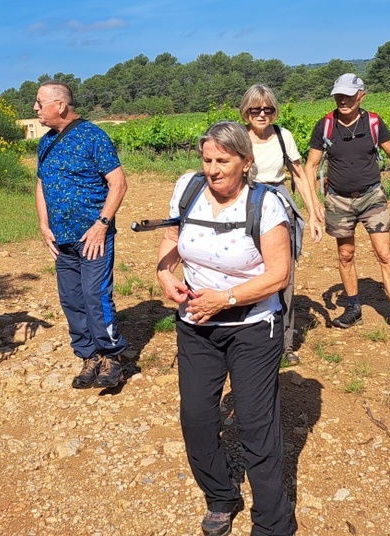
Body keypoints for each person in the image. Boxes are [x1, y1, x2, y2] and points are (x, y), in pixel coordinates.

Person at [156, 121, 296, 536]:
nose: (212, 169)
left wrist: (227, 298)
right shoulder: (188, 189)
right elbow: (172, 236)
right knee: (196, 417)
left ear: (246, 162)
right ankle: (220, 495)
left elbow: (280, 275)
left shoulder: (266, 203)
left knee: (256, 425)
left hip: (253, 326)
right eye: (207, 159)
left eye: (223, 160)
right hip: (197, 325)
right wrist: (164, 272)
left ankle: (273, 523)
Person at [302, 73, 390, 340]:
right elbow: (311, 165)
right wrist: (314, 203)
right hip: (339, 199)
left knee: (384, 254)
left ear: (361, 96)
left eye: (348, 96)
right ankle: (354, 308)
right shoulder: (325, 125)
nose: (342, 100)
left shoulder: (373, 122)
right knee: (346, 254)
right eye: (338, 96)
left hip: (371, 197)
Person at [34, 80, 129, 389]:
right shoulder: (45, 142)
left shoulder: (93, 136)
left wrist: (102, 224)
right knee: (72, 300)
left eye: (40, 103)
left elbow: (118, 183)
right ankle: (89, 357)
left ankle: (111, 357)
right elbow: (41, 184)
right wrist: (44, 224)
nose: (35, 108)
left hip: (92, 237)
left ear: (60, 105)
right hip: (61, 238)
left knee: (95, 295)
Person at [239, 84, 322, 366]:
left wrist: (312, 214)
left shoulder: (283, 136)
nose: (262, 114)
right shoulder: (238, 137)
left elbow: (298, 174)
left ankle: (284, 344)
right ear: (246, 111)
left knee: (283, 276)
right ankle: (248, 336)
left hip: (278, 206)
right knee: (247, 272)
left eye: (267, 109)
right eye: (255, 109)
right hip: (246, 205)